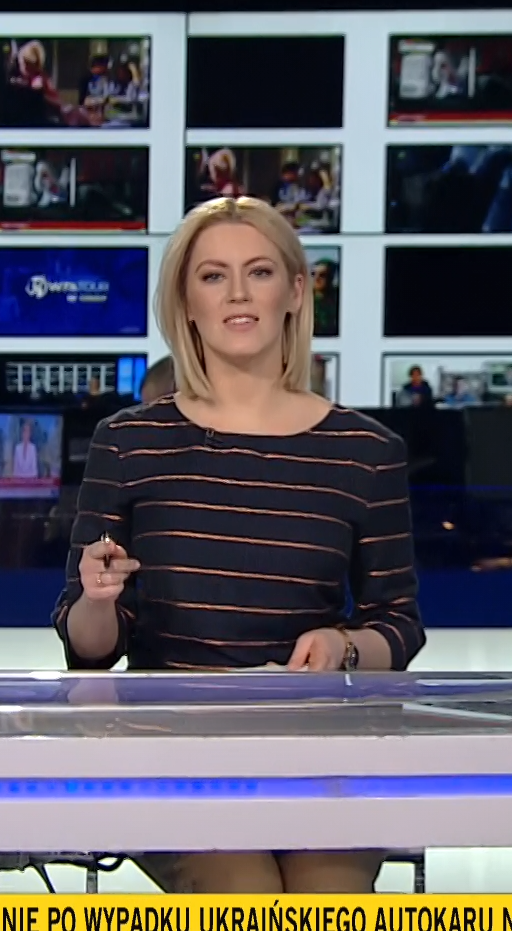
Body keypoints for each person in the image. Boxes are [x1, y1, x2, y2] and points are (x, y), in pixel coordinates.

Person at [53, 196, 425, 895]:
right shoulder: (129, 442)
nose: (238, 294)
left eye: (258, 272)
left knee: (329, 907)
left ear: (295, 291)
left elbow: (399, 624)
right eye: (213, 276)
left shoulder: (366, 451)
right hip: (171, 753)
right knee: (246, 899)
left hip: (320, 749)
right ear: (185, 303)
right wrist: (98, 599)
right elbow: (90, 647)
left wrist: (343, 647)